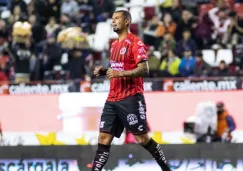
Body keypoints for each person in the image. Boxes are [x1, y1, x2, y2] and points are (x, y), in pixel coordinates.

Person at [92, 10, 172, 171]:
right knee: (103, 137)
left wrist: (119, 73)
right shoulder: (114, 45)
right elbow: (118, 68)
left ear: (127, 21)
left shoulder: (136, 43)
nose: (113, 21)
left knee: (142, 139)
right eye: (112, 19)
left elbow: (144, 68)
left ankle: (166, 169)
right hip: (112, 99)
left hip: (131, 98)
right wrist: (104, 71)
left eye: (117, 18)